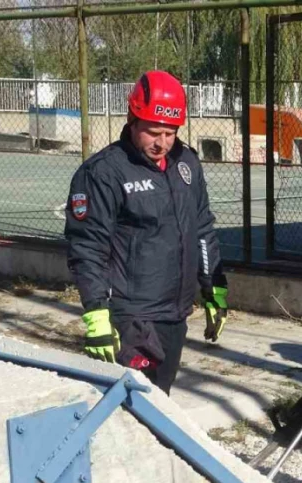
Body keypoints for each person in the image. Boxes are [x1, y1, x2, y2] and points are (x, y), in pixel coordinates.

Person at [64, 70, 228, 395]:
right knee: (133, 405)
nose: (162, 143)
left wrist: (214, 289)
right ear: (132, 119)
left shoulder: (187, 164)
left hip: (175, 311)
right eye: (153, 132)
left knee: (160, 399)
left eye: (170, 133)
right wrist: (96, 313)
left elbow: (202, 229)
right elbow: (88, 246)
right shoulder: (103, 172)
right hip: (132, 315)